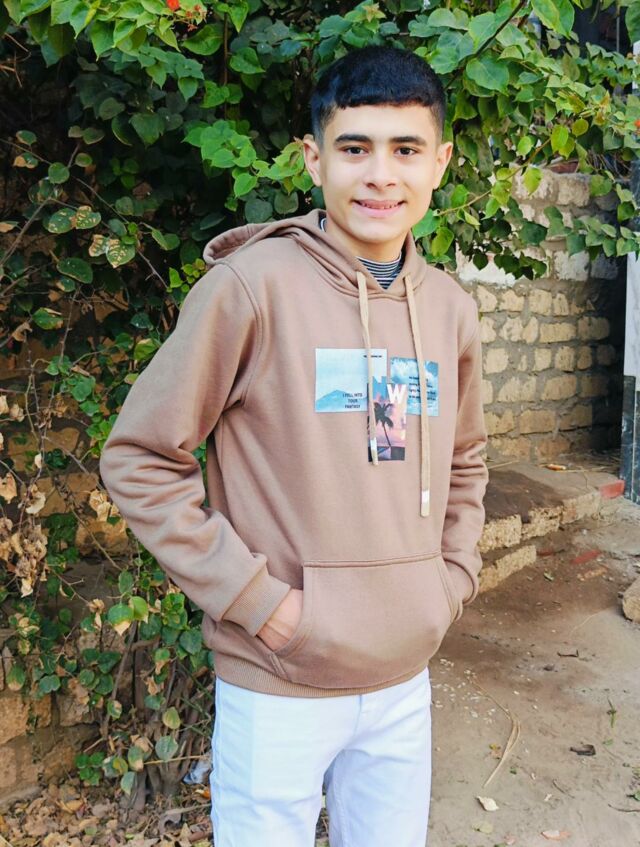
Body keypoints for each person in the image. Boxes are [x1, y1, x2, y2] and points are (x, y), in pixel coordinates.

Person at [99, 43, 489, 847]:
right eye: (355, 148)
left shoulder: (449, 309)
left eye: (405, 149)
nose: (380, 175)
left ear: (440, 162)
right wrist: (263, 606)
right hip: (278, 679)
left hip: (402, 676)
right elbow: (140, 459)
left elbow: (466, 460)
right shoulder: (251, 288)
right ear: (314, 159)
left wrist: (447, 583)